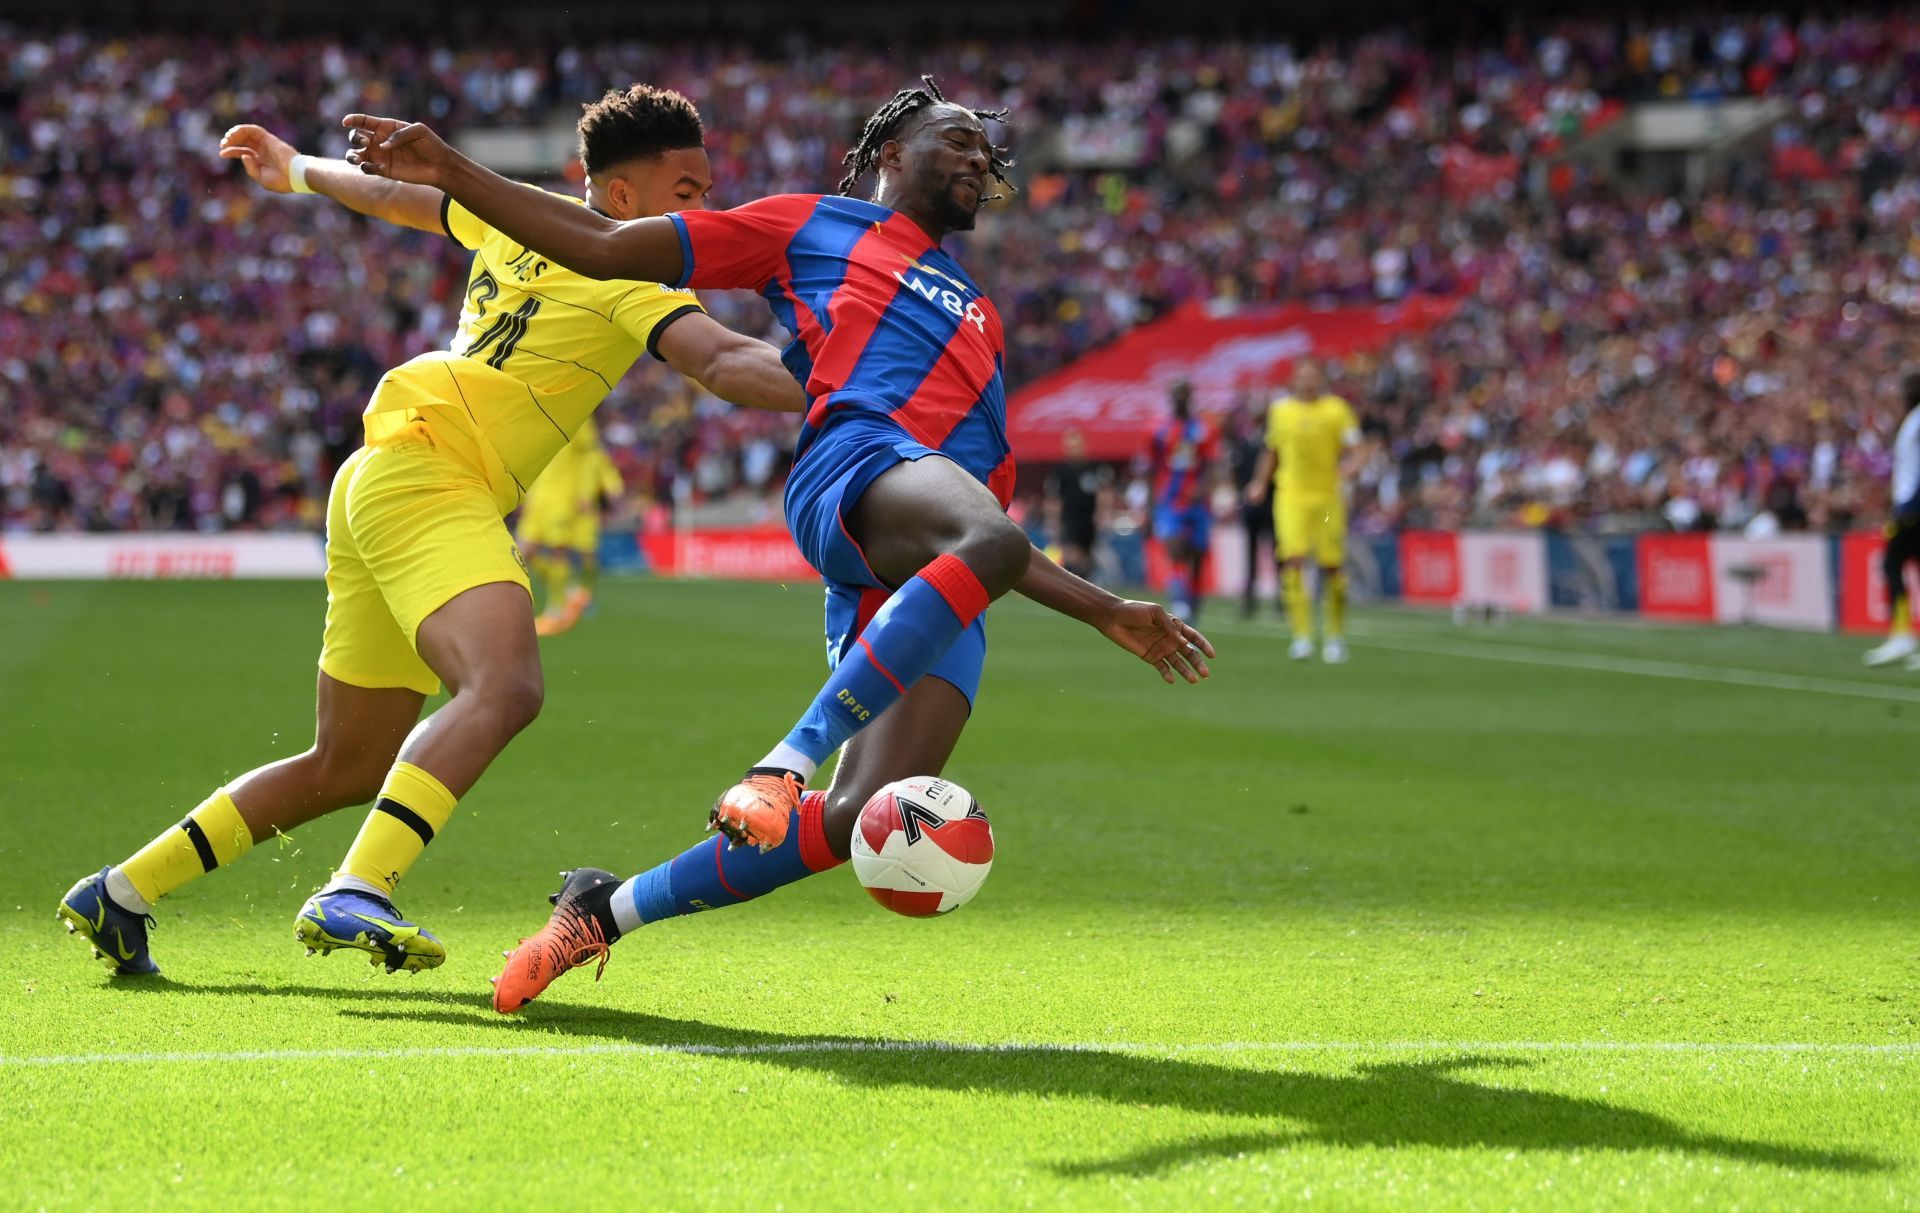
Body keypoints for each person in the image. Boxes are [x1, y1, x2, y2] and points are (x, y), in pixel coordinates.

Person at [334, 75, 1216, 1013]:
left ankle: (602, 910)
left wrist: (1109, 609)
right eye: (953, 140)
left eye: (983, 151)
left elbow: (988, 536)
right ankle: (781, 761)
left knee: (849, 821)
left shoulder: (978, 310)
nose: (975, 158)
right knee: (850, 731)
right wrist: (452, 171)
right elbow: (598, 244)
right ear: (890, 155)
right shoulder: (809, 225)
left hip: (937, 564)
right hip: (858, 467)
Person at [56, 86, 807, 977]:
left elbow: (395, 196)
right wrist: (863, 387)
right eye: (688, 192)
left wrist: (295, 169)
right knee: (505, 685)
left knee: (347, 763)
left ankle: (122, 891)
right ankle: (357, 887)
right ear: (620, 198)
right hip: (434, 474)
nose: (705, 211)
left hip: (380, 473)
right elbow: (723, 361)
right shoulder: (631, 274)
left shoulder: (521, 219)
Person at [1248, 361, 1360, 663]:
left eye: (1313, 375)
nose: (1307, 381)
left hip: (1326, 499)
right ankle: (1302, 636)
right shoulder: (1281, 411)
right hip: (1291, 497)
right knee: (1293, 560)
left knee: (1332, 566)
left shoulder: (1337, 410)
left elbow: (1356, 448)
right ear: (1294, 380)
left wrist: (1351, 468)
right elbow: (1272, 450)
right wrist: (1260, 482)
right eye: (1302, 376)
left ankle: (1335, 637)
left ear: (1320, 379)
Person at [518, 418, 625, 636]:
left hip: (561, 498)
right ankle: (570, 590)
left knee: (563, 552)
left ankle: (556, 609)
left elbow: (591, 456)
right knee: (520, 554)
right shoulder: (533, 416)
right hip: (538, 498)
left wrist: (588, 492)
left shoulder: (579, 417)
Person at [1863, 365, 1920, 668]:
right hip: (1910, 506)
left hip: (1913, 509)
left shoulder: (1917, 420)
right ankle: (1902, 635)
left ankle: (1902, 635)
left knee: (1892, 564)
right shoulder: (1912, 421)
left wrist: (1908, 506)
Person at [1147, 383, 1219, 622]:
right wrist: (1149, 505)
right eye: (1176, 393)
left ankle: (1194, 604)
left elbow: (1212, 463)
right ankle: (1179, 599)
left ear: (1190, 396)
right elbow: (1150, 467)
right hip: (1169, 500)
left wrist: (1204, 487)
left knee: (1197, 554)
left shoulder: (1203, 428)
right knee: (1174, 546)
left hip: (1198, 502)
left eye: (1184, 393)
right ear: (1170, 397)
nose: (1180, 398)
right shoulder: (1158, 429)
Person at [1226, 400, 1277, 618]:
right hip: (1250, 506)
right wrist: (1240, 494)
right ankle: (1249, 601)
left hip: (1272, 504)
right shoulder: (1243, 443)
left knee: (1278, 553)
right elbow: (1235, 472)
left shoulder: (1272, 442)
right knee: (1250, 554)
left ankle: (1281, 601)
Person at [1046, 428, 1108, 580]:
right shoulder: (1061, 470)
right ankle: (1075, 582)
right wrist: (1054, 521)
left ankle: (1084, 583)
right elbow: (1054, 498)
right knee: (1073, 553)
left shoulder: (1094, 467)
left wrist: (1102, 513)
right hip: (1070, 518)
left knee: (1086, 554)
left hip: (1088, 518)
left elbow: (1104, 492)